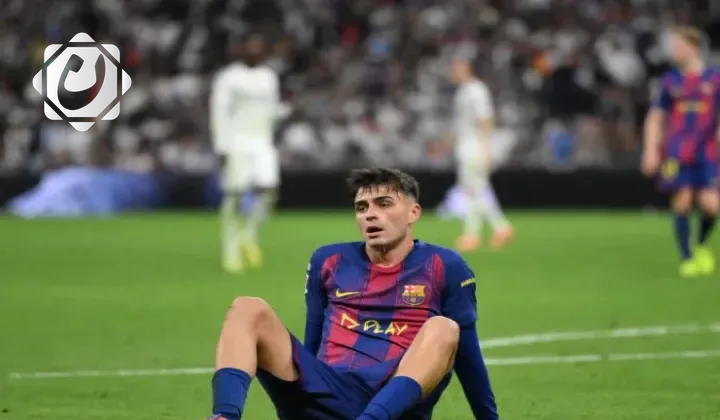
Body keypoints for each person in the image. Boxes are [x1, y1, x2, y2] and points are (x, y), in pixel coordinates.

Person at [205, 168, 500, 420]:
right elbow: (313, 341)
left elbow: (468, 356)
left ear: (414, 213)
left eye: (384, 204)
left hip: (391, 403)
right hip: (326, 392)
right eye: (362, 207)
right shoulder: (328, 260)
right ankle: (223, 416)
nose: (371, 214)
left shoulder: (445, 265)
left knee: (444, 329)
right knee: (248, 308)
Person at [642, 26, 719, 277]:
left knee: (711, 205)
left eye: (678, 46)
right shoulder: (670, 81)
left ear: (693, 47)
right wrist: (650, 150)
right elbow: (655, 117)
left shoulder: (714, 79)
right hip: (677, 151)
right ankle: (687, 258)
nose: (674, 51)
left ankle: (701, 244)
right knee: (682, 200)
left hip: (707, 150)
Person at [209, 31, 289, 273]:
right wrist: (221, 146)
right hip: (237, 142)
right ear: (241, 49)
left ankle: (248, 234)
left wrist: (285, 111)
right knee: (234, 195)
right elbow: (219, 112)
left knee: (269, 190)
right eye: (250, 46)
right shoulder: (228, 77)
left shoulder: (268, 77)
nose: (254, 50)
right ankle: (231, 249)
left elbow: (270, 110)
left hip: (262, 142)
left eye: (258, 46)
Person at [448, 55, 514, 252]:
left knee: (473, 191)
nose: (452, 72)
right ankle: (499, 228)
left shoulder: (476, 90)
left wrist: (487, 149)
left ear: (465, 67)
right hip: (467, 146)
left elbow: (485, 119)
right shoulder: (463, 91)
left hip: (474, 148)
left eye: (455, 67)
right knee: (477, 190)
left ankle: (473, 234)